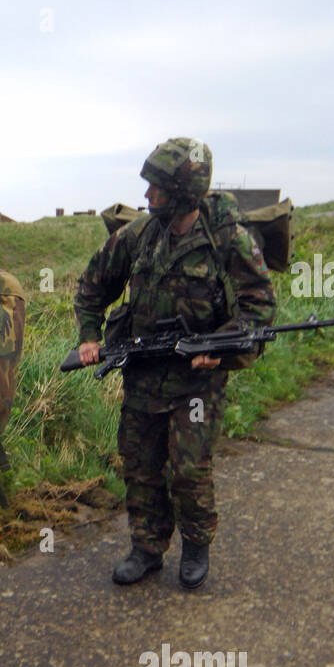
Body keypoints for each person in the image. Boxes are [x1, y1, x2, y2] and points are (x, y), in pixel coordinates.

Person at [73, 139, 275, 590]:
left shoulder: (227, 239)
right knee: (139, 465)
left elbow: (259, 308)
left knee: (188, 469)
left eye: (156, 189)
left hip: (197, 381)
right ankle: (146, 548)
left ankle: (196, 545)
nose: (147, 197)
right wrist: (89, 336)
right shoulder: (139, 235)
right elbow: (92, 286)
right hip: (144, 375)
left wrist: (222, 347)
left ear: (183, 191)